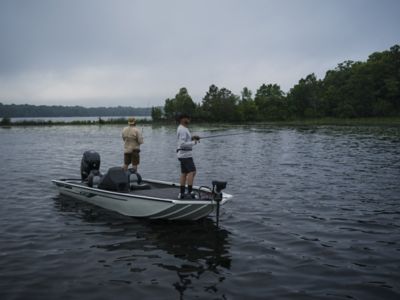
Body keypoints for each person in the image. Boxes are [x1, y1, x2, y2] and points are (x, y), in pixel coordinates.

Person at [176, 113, 200, 199]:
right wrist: (194, 142)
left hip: (183, 154)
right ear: (182, 119)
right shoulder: (182, 129)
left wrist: (193, 138)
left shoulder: (183, 128)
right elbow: (182, 144)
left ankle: (182, 193)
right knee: (192, 172)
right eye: (187, 118)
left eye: (189, 118)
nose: (189, 120)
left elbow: (184, 140)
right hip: (185, 154)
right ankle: (190, 192)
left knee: (184, 173)